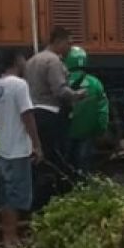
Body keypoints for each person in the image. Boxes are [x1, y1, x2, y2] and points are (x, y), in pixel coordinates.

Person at [0, 49, 44, 248]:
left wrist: (2, 130)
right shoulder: (19, 85)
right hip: (18, 150)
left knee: (6, 194)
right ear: (17, 60)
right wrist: (36, 144)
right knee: (18, 195)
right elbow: (27, 115)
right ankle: (11, 238)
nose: (26, 62)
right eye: (24, 58)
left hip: (3, 150)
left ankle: (8, 236)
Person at [24, 27, 82, 171]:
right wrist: (77, 95)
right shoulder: (53, 61)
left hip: (34, 111)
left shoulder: (32, 60)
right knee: (54, 155)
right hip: (51, 114)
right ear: (58, 41)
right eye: (68, 43)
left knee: (40, 154)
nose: (70, 47)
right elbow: (59, 90)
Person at [64, 46, 109, 175]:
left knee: (65, 164)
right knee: (83, 164)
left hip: (66, 132)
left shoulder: (61, 82)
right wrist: (101, 129)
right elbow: (102, 111)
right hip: (86, 134)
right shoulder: (95, 83)